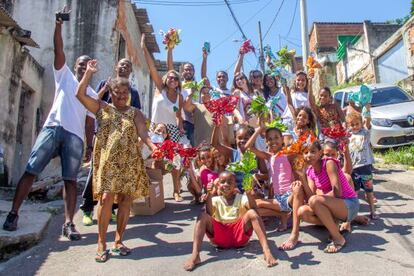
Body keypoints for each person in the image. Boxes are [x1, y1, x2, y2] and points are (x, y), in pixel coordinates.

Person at [2, 8, 96, 241]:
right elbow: (59, 48)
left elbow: (89, 122)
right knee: (31, 170)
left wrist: (90, 146)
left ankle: (68, 223)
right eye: (81, 65)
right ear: (75, 66)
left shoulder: (92, 93)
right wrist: (58, 24)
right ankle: (13, 214)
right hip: (53, 128)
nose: (83, 67)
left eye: (87, 65)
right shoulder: (63, 74)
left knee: (70, 181)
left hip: (75, 138)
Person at [76, 59, 156, 262]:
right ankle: (101, 243)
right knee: (105, 199)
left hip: (129, 162)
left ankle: (118, 241)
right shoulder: (102, 108)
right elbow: (80, 94)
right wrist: (88, 74)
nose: (120, 96)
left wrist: (155, 147)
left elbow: (144, 134)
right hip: (108, 162)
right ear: (110, 92)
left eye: (124, 94)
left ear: (129, 95)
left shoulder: (135, 113)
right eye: (117, 93)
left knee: (126, 201)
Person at [80, 58, 141, 226]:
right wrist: (105, 90)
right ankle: (87, 209)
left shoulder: (133, 92)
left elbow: (137, 116)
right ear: (116, 67)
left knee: (117, 177)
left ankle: (111, 209)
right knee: (96, 173)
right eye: (122, 64)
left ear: (130, 71)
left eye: (128, 66)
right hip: (104, 138)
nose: (124, 67)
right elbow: (93, 104)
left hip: (123, 142)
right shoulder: (104, 83)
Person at [183, 171, 278, 271]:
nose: (226, 185)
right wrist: (209, 194)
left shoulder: (241, 198)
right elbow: (209, 214)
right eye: (222, 182)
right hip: (220, 237)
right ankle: (195, 254)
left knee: (252, 213)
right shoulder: (215, 200)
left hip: (240, 237)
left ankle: (266, 251)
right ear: (218, 184)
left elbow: (255, 209)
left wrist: (249, 193)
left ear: (235, 184)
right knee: (202, 216)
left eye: (230, 182)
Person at [281, 141, 359, 253]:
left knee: (314, 200)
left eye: (313, 151)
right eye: (306, 152)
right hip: (333, 206)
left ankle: (338, 238)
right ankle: (334, 226)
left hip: (349, 205)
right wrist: (302, 178)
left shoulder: (329, 163)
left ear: (320, 153)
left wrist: (318, 199)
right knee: (302, 211)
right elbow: (310, 197)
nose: (309, 155)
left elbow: (338, 192)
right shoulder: (310, 172)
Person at [141, 33, 185, 202]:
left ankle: (176, 191)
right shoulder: (161, 89)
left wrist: (180, 126)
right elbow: (153, 67)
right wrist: (144, 47)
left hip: (172, 130)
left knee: (174, 162)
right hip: (156, 129)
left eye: (176, 78)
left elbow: (179, 115)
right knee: (154, 160)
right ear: (166, 79)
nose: (173, 79)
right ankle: (155, 192)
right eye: (170, 77)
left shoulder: (179, 96)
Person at [244, 124, 295, 232]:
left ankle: (285, 214)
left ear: (282, 139)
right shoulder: (269, 156)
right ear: (266, 142)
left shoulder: (289, 155)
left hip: (289, 196)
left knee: (255, 204)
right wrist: (258, 130)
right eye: (269, 139)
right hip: (277, 197)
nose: (273, 141)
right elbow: (248, 147)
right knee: (251, 206)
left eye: (276, 137)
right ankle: (284, 214)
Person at [346, 110, 378, 219]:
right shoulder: (347, 136)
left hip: (365, 168)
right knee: (354, 192)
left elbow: (368, 123)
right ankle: (355, 214)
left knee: (369, 190)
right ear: (348, 125)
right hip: (353, 168)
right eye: (352, 124)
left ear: (361, 123)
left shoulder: (365, 133)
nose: (355, 126)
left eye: (357, 124)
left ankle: (372, 211)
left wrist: (367, 109)